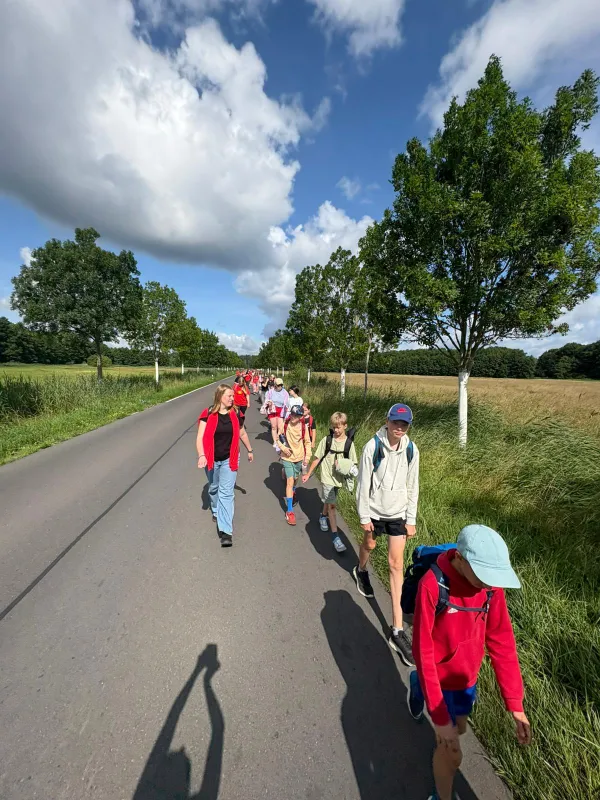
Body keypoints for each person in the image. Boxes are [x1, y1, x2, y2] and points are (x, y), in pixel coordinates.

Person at [410, 525, 531, 800]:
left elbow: (501, 642)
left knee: (461, 728)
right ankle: (441, 796)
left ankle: (416, 685)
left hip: (466, 679)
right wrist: (439, 716)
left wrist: (515, 704)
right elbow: (423, 651)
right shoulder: (433, 585)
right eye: (484, 577)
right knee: (452, 753)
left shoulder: (490, 589)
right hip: (437, 677)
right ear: (460, 559)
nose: (489, 584)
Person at [353, 403, 419, 665]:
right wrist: (364, 516)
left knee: (396, 565)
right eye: (395, 422)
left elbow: (413, 485)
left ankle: (397, 631)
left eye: (404, 424)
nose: (399, 428)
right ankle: (361, 569)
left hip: (398, 513)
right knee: (369, 545)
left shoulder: (412, 450)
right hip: (375, 510)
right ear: (387, 421)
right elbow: (363, 483)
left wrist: (411, 519)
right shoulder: (373, 447)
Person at [196, 384, 254, 547]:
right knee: (214, 488)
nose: (232, 398)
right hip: (211, 458)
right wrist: (201, 455)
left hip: (230, 458)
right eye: (229, 396)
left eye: (233, 396)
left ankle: (226, 531)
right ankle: (216, 510)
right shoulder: (208, 414)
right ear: (220, 396)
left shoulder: (236, 413)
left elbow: (242, 432)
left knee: (226, 493)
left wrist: (250, 450)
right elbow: (200, 437)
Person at [302, 411, 357, 553]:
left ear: (345, 426)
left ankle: (322, 516)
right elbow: (317, 458)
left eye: (338, 427)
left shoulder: (349, 444)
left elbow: (353, 464)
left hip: (339, 478)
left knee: (329, 500)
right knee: (332, 505)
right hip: (327, 477)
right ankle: (335, 538)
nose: (336, 430)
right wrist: (308, 473)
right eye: (334, 427)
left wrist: (350, 470)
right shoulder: (327, 440)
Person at [279, 404, 312, 525]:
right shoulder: (285, 424)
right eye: (292, 414)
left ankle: (293, 490)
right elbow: (278, 438)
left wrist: (307, 457)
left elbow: (307, 442)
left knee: (295, 478)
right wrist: (283, 448)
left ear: (300, 416)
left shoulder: (303, 427)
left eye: (296, 415)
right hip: (287, 457)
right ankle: (289, 511)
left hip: (299, 457)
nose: (293, 417)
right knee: (290, 481)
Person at [265, 378, 289, 445]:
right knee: (274, 427)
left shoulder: (285, 392)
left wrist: (286, 410)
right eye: (278, 385)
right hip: (272, 410)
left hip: (281, 410)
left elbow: (287, 403)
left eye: (281, 385)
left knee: (280, 427)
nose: (279, 387)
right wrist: (268, 402)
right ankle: (275, 441)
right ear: (275, 385)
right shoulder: (271, 391)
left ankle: (279, 440)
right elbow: (267, 399)